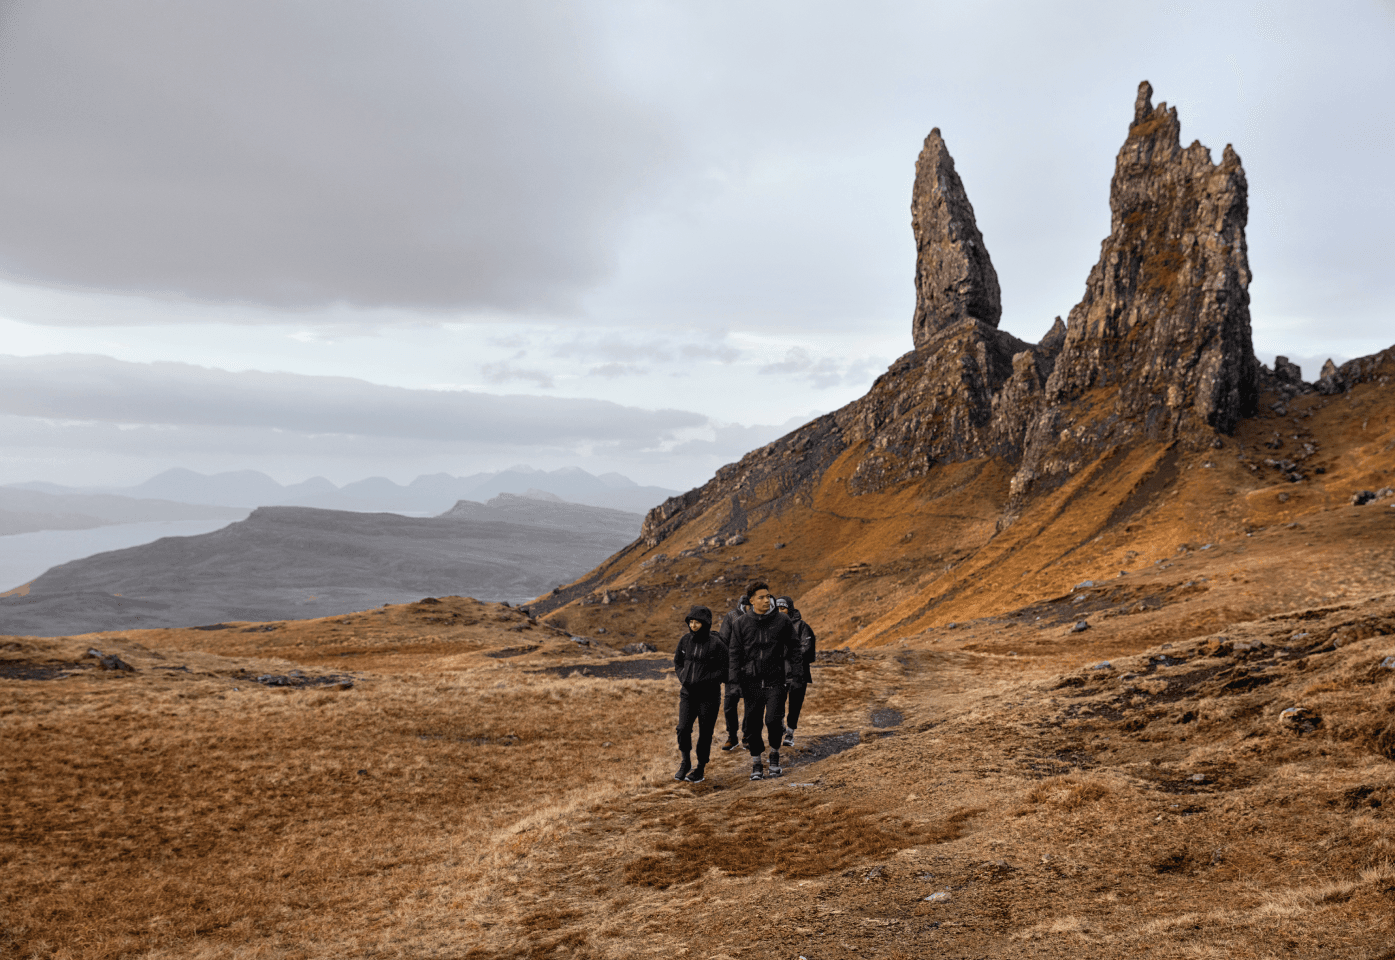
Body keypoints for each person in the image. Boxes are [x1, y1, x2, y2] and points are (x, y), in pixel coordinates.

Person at [728, 581, 798, 780]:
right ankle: (756, 762)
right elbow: (734, 654)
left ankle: (774, 755)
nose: (767, 600)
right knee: (752, 725)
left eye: (768, 596)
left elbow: (794, 648)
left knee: (774, 721)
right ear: (751, 601)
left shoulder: (782, 621)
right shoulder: (740, 624)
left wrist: (797, 675)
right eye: (761, 597)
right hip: (750, 682)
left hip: (776, 680)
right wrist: (734, 683)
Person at [673, 605, 726, 784]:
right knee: (682, 728)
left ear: (706, 624)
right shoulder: (685, 640)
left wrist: (708, 680)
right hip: (688, 694)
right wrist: (683, 677)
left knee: (705, 733)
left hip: (708, 697)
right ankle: (685, 761)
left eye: (697, 623)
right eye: (691, 622)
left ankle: (700, 768)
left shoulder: (716, 644)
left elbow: (726, 669)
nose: (693, 626)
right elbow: (678, 662)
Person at [775, 596, 815, 747]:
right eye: (778, 608)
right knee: (777, 703)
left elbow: (807, 647)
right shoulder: (773, 626)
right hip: (778, 674)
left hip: (798, 674)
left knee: (795, 704)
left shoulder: (802, 626)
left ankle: (790, 732)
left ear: (789, 608)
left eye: (783, 608)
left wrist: (789, 654)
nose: (780, 611)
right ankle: (780, 728)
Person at [716, 597, 751, 751]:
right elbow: (723, 641)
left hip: (751, 669)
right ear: (743, 605)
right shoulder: (731, 616)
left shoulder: (758, 617)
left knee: (751, 704)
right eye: (749, 605)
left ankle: (747, 736)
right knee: (730, 704)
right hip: (733, 668)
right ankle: (732, 737)